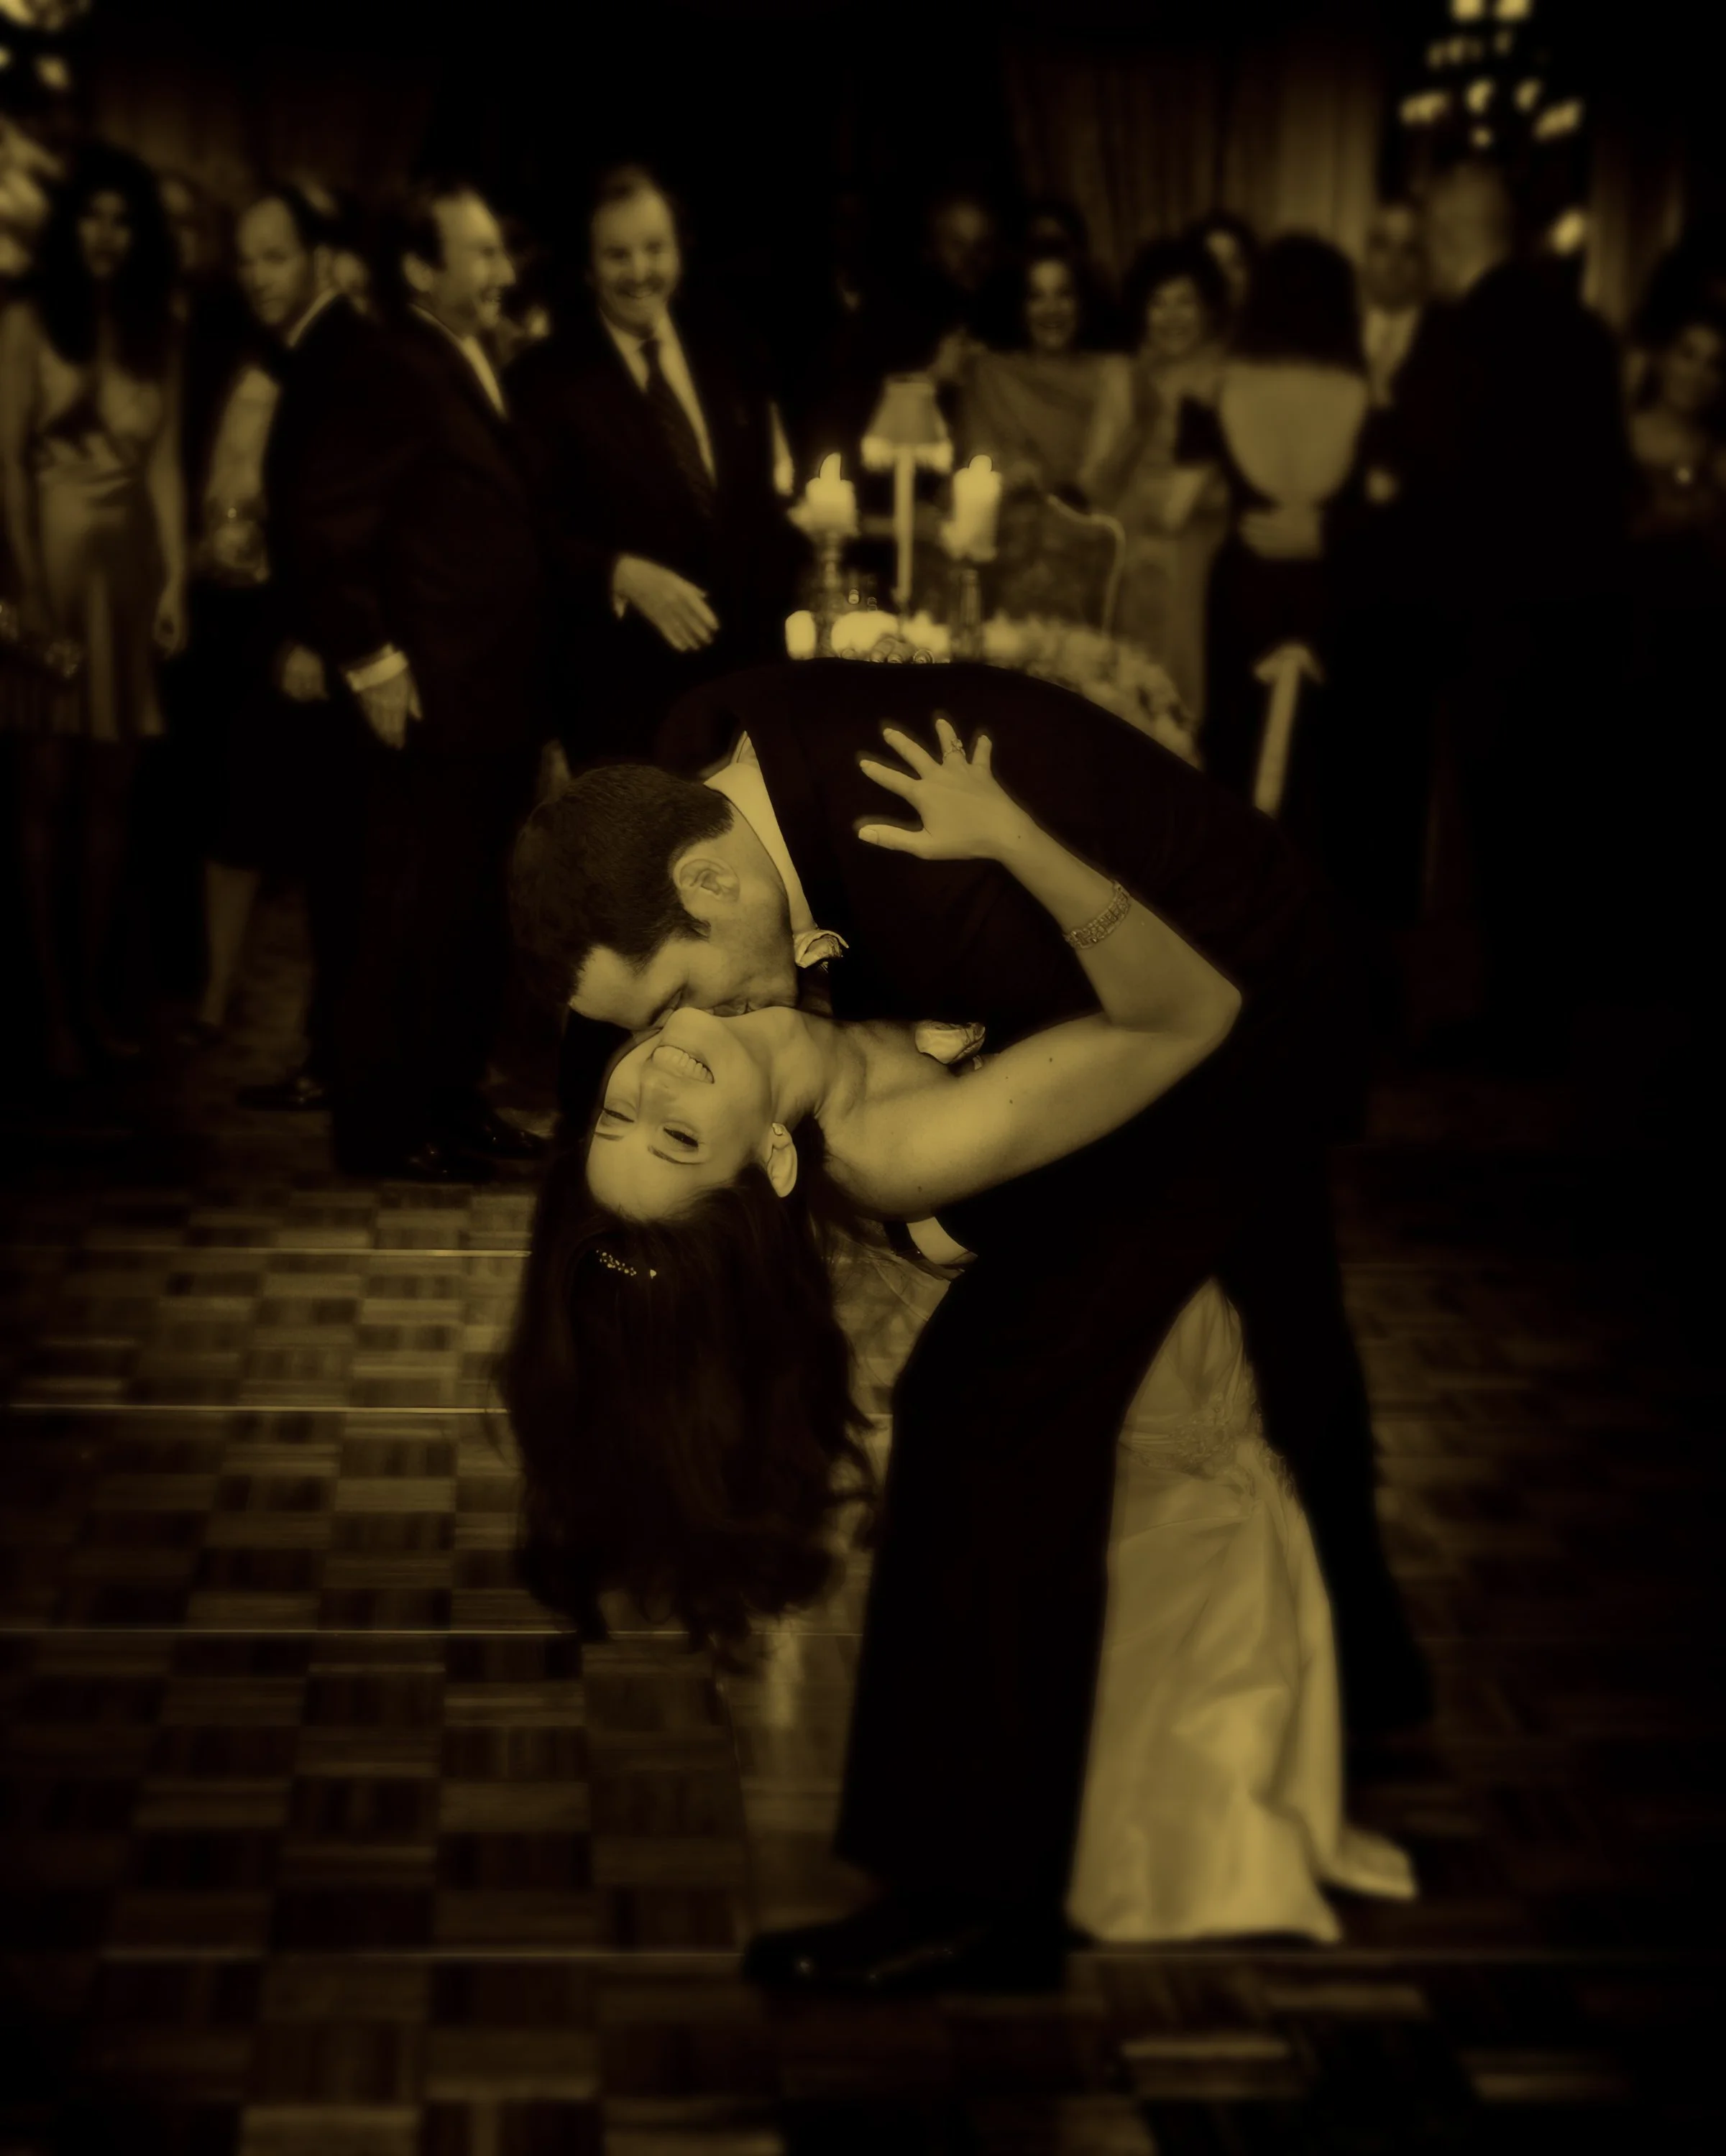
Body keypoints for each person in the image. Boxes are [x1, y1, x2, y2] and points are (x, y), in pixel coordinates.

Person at [513, 657, 1430, 1994]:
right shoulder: (707, 796)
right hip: (1153, 1009)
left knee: (990, 1413)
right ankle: (1364, 1674)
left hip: (1238, 1031)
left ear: (708, 881)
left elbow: (1174, 1025)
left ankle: (974, 1896)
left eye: (666, 1002)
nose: (666, 1045)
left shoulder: (926, 879)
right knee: (1272, 1327)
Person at [272, 175, 549, 1180]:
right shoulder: (390, 365)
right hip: (427, 691)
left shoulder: (464, 353)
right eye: (481, 254)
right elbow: (322, 521)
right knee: (404, 914)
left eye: (499, 251)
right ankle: (385, 1128)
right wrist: (371, 657)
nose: (503, 270)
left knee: (466, 912)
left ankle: (451, 1097)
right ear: (422, 269)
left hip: (489, 691)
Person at [1394, 160, 1631, 1069]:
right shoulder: (1584, 333)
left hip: (1486, 621)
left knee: (1495, 829)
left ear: (1446, 238)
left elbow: (1432, 488)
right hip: (1582, 617)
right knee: (1557, 821)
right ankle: (1547, 1013)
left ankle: (1504, 1024)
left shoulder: (1455, 338)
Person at [176, 184, 375, 1123]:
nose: (258, 275)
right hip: (249, 614)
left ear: (318, 258)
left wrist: (311, 627)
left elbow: (345, 510)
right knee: (256, 821)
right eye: (247, 258)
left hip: (307, 626)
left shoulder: (338, 352)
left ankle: (332, 1049)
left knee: (331, 849)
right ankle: (291, 1033)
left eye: (276, 256)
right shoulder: (261, 351)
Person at [0, 141, 185, 1081]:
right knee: (44, 796)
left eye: (123, 220)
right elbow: (3, 463)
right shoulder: (27, 322)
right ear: (69, 226)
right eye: (92, 216)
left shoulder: (158, 330)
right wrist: (29, 589)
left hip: (126, 578)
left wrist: (177, 582)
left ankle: (90, 997)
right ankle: (48, 1014)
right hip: (48, 568)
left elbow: (165, 467)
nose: (107, 235)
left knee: (112, 801)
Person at [510, 163, 797, 766]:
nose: (640, 271)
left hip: (739, 697)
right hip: (620, 705)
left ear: (679, 251)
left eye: (654, 248)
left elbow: (757, 516)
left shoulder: (730, 349)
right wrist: (618, 572)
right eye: (618, 255)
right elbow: (526, 535)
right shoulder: (544, 381)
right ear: (589, 268)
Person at [1183, 235, 1370, 870]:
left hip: (1246, 585)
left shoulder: (1222, 385)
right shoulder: (1361, 393)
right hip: (1328, 590)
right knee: (1326, 768)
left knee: (1237, 755)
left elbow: (1181, 496)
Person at [1076, 236, 1231, 709]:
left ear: (1209, 308)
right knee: (1127, 696)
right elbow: (1093, 486)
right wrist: (1139, 423)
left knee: (1186, 695)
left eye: (1185, 301)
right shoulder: (1124, 375)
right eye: (1158, 303)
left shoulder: (1231, 376)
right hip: (1129, 553)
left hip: (1203, 555)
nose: (1171, 316)